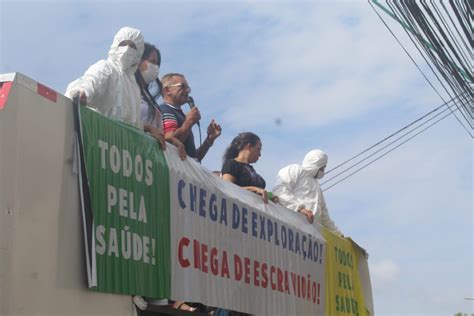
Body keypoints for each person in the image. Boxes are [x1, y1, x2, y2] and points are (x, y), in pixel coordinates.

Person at [65, 27, 164, 148]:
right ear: (115, 45)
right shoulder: (106, 68)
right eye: (123, 44)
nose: (127, 49)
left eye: (132, 46)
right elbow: (89, 82)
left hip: (124, 151)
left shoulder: (133, 86)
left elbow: (135, 124)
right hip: (101, 143)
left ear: (138, 53)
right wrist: (82, 93)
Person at [272, 149, 342, 236]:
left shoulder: (317, 187)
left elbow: (324, 215)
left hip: (313, 235)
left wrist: (339, 234)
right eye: (322, 167)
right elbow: (279, 190)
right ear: (316, 164)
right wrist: (299, 208)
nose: (323, 171)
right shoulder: (295, 170)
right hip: (291, 227)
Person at [136, 43, 186, 160]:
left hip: (151, 160)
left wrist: (170, 140)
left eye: (157, 64)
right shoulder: (127, 89)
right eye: (152, 62)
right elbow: (121, 121)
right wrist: (148, 128)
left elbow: (158, 132)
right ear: (138, 61)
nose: (156, 67)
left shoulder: (149, 100)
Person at [158, 73, 221, 161]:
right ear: (168, 90)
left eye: (188, 88)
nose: (187, 91)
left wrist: (209, 139)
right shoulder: (165, 110)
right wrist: (189, 122)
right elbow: (170, 142)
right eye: (182, 86)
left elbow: (193, 159)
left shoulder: (181, 116)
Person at [221, 132, 278, 203]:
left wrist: (269, 197)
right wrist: (254, 189)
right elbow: (227, 187)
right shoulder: (231, 164)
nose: (260, 154)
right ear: (249, 147)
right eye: (258, 149)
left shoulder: (251, 169)